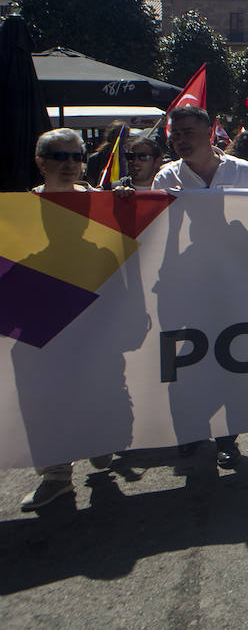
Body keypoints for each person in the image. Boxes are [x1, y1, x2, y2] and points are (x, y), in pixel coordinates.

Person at [151, 106, 248, 467]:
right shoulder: (166, 177)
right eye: (176, 134)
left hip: (231, 285)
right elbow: (152, 231)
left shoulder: (243, 171)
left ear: (208, 133)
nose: (180, 139)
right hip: (182, 286)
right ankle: (190, 430)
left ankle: (227, 438)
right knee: (184, 361)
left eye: (188, 132)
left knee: (228, 358)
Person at [19, 129, 115, 510]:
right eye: (61, 157)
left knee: (95, 387)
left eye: (77, 156)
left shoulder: (102, 202)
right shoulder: (20, 209)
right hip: (40, 318)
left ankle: (99, 437)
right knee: (43, 398)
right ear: (41, 162)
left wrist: (126, 203)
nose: (71, 164)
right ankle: (56, 475)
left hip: (95, 317)